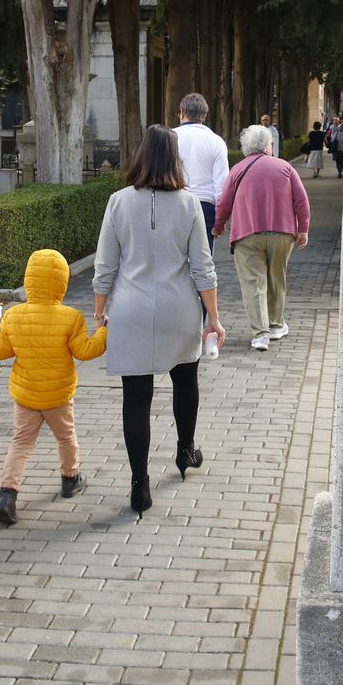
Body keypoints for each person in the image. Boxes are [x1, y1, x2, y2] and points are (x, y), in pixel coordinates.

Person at [92, 125, 225, 518]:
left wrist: (99, 312)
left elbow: (104, 268)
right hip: (179, 309)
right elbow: (204, 268)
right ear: (174, 158)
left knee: (136, 398)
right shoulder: (188, 204)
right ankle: (185, 451)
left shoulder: (117, 202)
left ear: (139, 155)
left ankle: (139, 484)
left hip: (130, 310)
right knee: (186, 382)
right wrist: (213, 318)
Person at [0, 249, 108, 526]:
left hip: (25, 395)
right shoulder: (71, 317)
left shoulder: (14, 316)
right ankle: (70, 478)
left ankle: (8, 493)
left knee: (21, 442)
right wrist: (103, 332)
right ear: (62, 282)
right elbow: (85, 351)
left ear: (29, 280)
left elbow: (0, 350)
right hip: (58, 396)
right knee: (65, 437)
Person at [213, 125, 310, 351]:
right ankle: (276, 325)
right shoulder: (285, 167)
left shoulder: (238, 169)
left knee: (253, 283)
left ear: (245, 147)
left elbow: (224, 202)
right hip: (282, 233)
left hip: (247, 234)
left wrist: (218, 227)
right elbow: (301, 200)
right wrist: (303, 228)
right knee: (277, 278)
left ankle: (260, 334)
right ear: (268, 146)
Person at [173, 92, 229, 241]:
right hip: (206, 206)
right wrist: (220, 219)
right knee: (203, 260)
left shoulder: (170, 137)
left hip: (174, 203)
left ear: (182, 113)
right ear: (204, 116)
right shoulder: (217, 141)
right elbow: (222, 184)